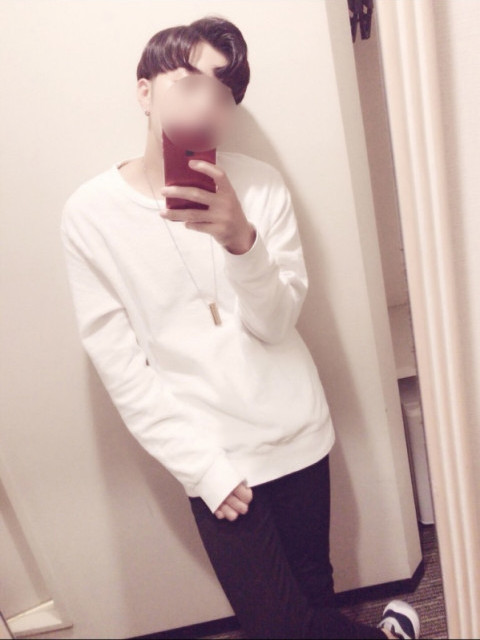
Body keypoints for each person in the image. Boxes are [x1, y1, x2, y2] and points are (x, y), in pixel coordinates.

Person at [61, 16, 420, 640]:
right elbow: (122, 368)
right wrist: (200, 467)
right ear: (145, 91)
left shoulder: (262, 186)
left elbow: (277, 325)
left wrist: (242, 242)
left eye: (224, 94)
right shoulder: (91, 216)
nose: (208, 104)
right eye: (188, 82)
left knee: (314, 597)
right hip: (214, 455)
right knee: (279, 627)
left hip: (297, 433)